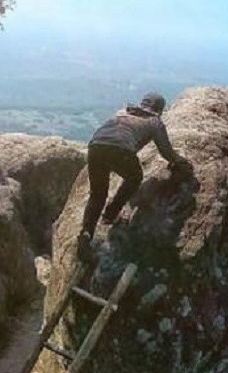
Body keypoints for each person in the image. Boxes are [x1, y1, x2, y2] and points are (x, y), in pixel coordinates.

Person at [77, 92, 189, 261]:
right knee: (135, 177)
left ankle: (85, 236)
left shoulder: (123, 112)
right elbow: (166, 151)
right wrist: (179, 162)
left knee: (97, 194)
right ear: (159, 109)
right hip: (120, 149)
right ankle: (110, 214)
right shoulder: (154, 121)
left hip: (95, 146)